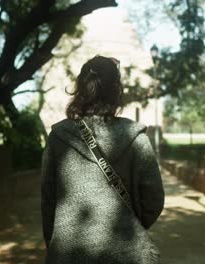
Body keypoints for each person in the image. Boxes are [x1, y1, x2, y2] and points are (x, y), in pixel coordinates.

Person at [41, 55, 165, 264]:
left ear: (81, 88)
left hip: (68, 254)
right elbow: (154, 199)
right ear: (115, 90)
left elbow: (48, 201)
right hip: (127, 253)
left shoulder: (58, 137)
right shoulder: (136, 138)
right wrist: (130, 225)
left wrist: (56, 245)